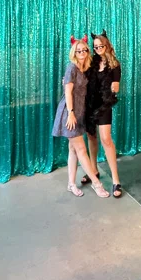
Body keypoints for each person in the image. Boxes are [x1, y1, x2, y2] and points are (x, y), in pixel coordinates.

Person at [52, 36, 109, 198]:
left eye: (84, 50)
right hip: (69, 113)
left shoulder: (85, 68)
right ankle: (96, 184)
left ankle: (71, 183)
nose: (82, 53)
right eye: (79, 51)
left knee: (73, 149)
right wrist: (70, 113)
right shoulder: (71, 68)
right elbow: (68, 92)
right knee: (82, 150)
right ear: (74, 53)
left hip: (80, 112)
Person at [80, 30, 123, 198]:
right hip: (90, 105)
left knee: (106, 139)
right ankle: (94, 172)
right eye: (95, 47)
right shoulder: (91, 63)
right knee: (91, 137)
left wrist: (115, 85)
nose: (98, 48)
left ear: (107, 46)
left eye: (100, 46)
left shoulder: (115, 65)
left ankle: (116, 180)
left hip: (104, 105)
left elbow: (115, 86)